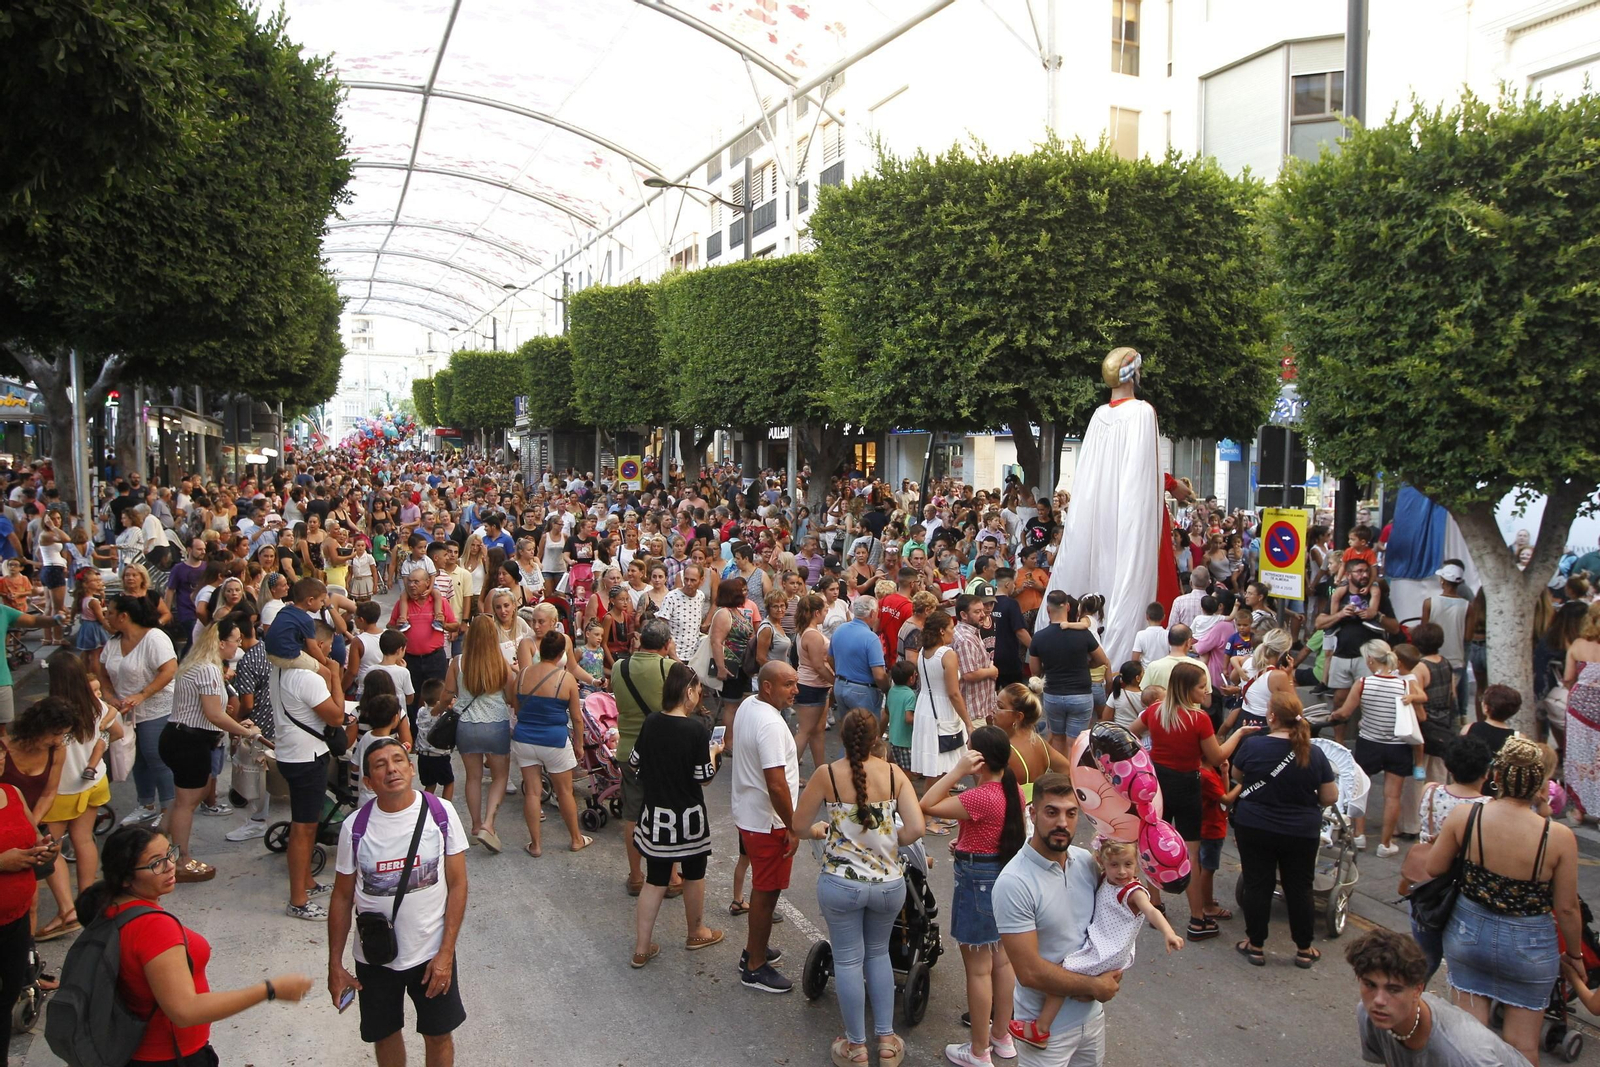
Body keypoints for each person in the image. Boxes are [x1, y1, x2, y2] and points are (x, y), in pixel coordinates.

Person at [72, 826, 312, 1065]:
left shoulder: (110, 907)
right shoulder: (153, 928)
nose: (170, 866)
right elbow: (184, 1011)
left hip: (135, 1050)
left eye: (170, 854)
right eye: (156, 863)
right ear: (125, 878)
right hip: (171, 1056)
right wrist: (269, 990)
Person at [1424, 736, 1582, 1065]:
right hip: (1531, 944)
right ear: (1540, 785)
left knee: (1467, 1037)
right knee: (1522, 1047)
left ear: (1495, 776)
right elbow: (1567, 907)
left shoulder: (1466, 816)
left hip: (1468, 932)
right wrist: (1576, 955)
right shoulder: (1559, 837)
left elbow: (1434, 867)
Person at [792, 708, 924, 1067]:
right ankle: (885, 1040)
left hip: (841, 883)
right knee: (878, 954)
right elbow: (915, 828)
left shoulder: (826, 775)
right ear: (875, 740)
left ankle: (855, 1047)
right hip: (887, 885)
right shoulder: (895, 774)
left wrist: (823, 830)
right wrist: (887, 839)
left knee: (848, 959)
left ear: (843, 739)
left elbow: (799, 824)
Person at [328, 737, 469, 1067]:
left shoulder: (440, 813)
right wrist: (335, 965)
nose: (391, 769)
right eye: (380, 765)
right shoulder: (355, 828)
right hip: (376, 958)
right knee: (385, 1035)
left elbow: (459, 885)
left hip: (430, 953)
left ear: (411, 768)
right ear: (368, 782)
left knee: (439, 1035)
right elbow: (342, 896)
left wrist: (446, 953)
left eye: (398, 760)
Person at [993, 772, 1122, 1067]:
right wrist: (1093, 986)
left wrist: (1113, 972)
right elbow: (1029, 972)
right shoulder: (1014, 882)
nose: (1063, 823)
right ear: (1033, 813)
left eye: (1071, 813)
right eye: (1052, 812)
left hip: (1091, 1021)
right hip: (1044, 1032)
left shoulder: (1088, 863)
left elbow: (1107, 930)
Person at [1010, 838, 1184, 1050]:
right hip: (1103, 945)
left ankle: (1040, 1029)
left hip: (1108, 951)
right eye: (1114, 865)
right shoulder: (1106, 881)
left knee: (1062, 976)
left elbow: (1151, 910)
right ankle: (1077, 1000)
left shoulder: (1132, 891)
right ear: (1102, 861)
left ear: (1137, 863)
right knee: (1071, 978)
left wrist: (1169, 933)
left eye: (1128, 864)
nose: (1121, 871)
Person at [921, 727, 1027, 1066]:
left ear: (979, 758)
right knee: (1002, 961)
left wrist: (956, 771)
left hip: (977, 880)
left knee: (979, 970)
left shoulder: (981, 796)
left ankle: (979, 1050)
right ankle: (1001, 1035)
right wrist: (964, 842)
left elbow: (928, 803)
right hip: (1001, 873)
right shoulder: (1011, 790)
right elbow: (996, 831)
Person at [1130, 661, 1254, 941]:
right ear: (1188, 689)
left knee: (1151, 843)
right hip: (1187, 784)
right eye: (1201, 686)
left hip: (1158, 784)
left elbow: (1130, 732)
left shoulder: (1154, 711)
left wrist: (1144, 762)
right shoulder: (1198, 719)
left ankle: (1155, 904)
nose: (1206, 690)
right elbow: (1218, 756)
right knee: (1190, 855)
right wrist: (1239, 734)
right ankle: (1197, 920)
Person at [1230, 691, 1339, 967]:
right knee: (1300, 887)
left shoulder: (1253, 745)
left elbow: (1236, 776)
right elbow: (1329, 797)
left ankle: (1255, 945)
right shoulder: (1314, 753)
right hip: (1301, 829)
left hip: (1254, 824)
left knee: (1257, 883)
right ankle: (1304, 948)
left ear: (1273, 717)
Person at [629, 662, 724, 967]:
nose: (700, 695)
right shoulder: (695, 730)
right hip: (688, 819)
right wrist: (713, 753)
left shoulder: (651, 722)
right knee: (694, 874)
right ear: (688, 692)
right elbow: (704, 777)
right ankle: (696, 931)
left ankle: (642, 948)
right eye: (698, 690)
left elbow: (635, 763)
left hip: (655, 817)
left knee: (655, 880)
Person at [159, 619, 263, 883]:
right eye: (236, 640)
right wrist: (245, 731)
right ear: (221, 643)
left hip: (181, 737)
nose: (238, 646)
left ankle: (159, 844)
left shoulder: (197, 665)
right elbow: (215, 715)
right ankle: (181, 859)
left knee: (182, 799)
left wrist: (236, 723)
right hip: (189, 742)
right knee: (186, 804)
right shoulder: (208, 670)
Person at [1346, 928, 1525, 1067]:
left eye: (1393, 989)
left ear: (1418, 990)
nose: (1378, 1000)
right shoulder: (1369, 1014)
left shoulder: (1463, 1054)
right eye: (1370, 985)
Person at [728, 661, 800, 993]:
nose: (795, 691)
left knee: (765, 888)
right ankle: (754, 964)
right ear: (768, 687)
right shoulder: (771, 724)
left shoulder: (748, 705)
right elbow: (776, 784)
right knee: (766, 891)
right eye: (789, 684)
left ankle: (755, 948)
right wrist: (793, 825)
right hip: (768, 821)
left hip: (751, 814)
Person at [272, 620, 348, 921]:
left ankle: (307, 882)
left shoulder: (281, 670)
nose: (329, 650)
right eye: (327, 645)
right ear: (317, 646)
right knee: (304, 829)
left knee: (307, 824)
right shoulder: (309, 678)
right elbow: (336, 715)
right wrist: (337, 679)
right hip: (307, 757)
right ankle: (297, 899)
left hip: (291, 753)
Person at [1402, 736, 1492, 982]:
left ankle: (1410, 1002)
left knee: (1424, 956)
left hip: (1426, 885)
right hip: (1463, 888)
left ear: (1449, 768)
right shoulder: (1488, 807)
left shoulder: (1430, 791)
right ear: (1486, 772)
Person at [1329, 640, 1426, 855]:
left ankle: (1359, 835)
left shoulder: (1363, 683)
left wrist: (1332, 716)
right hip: (1397, 745)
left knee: (1360, 789)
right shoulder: (1404, 684)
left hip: (1369, 743)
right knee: (1392, 796)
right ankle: (1386, 843)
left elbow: (1345, 713)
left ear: (1371, 659)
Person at [95, 594, 178, 828]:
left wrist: (142, 695)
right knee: (138, 759)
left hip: (156, 709)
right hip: (126, 712)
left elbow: (169, 670)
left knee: (156, 757)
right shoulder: (113, 642)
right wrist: (111, 697)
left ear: (124, 616)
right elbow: (102, 672)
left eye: (110, 612)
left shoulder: (154, 638)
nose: (106, 615)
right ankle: (146, 804)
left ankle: (168, 808)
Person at [43, 651, 121, 898]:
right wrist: (101, 742)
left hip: (63, 788)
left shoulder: (50, 711)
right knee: (84, 839)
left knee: (49, 847)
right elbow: (117, 732)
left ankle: (66, 909)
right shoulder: (96, 704)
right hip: (94, 783)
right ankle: (86, 900)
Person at [510, 629, 592, 855]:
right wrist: (579, 744)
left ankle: (535, 844)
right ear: (561, 654)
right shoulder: (565, 679)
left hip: (524, 738)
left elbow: (516, 708)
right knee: (565, 791)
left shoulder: (523, 674)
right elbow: (576, 717)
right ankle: (576, 839)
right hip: (554, 740)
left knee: (533, 792)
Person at [438, 616, 515, 854]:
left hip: (467, 725)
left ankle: (474, 824)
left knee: (473, 777)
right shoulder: (501, 664)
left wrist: (436, 709)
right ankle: (489, 824)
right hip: (496, 724)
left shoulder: (458, 662)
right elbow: (511, 698)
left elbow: (447, 693)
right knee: (500, 777)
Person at [615, 619, 674, 895]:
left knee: (633, 815)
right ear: (665, 644)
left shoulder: (619, 667)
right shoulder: (670, 668)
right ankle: (672, 878)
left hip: (629, 749)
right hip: (664, 752)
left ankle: (636, 876)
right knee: (668, 812)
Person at [1028, 591, 1107, 752]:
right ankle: (1074, 775)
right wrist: (1087, 666)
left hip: (1053, 693)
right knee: (1076, 741)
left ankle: (1060, 775)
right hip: (1080, 694)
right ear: (1069, 607)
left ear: (1048, 610)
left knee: (1057, 737)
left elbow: (1035, 670)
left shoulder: (1039, 637)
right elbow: (1102, 660)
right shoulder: (1082, 634)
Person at [909, 611, 971, 799]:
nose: (954, 631)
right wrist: (967, 721)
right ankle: (929, 815)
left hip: (925, 707)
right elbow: (953, 693)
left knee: (937, 767)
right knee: (940, 768)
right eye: (951, 628)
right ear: (942, 631)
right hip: (942, 711)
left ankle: (936, 809)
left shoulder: (923, 652)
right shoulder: (947, 654)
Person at [793, 592, 834, 772]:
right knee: (805, 731)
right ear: (816, 612)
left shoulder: (807, 632)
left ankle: (821, 770)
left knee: (817, 731)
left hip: (817, 686)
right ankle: (787, 774)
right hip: (811, 686)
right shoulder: (813, 635)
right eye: (824, 611)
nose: (826, 614)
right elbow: (818, 665)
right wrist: (835, 680)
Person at [829, 595, 889, 717]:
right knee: (866, 731)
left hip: (840, 686)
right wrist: (887, 689)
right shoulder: (871, 638)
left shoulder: (840, 629)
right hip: (862, 691)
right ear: (872, 613)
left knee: (848, 730)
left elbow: (829, 658)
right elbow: (879, 675)